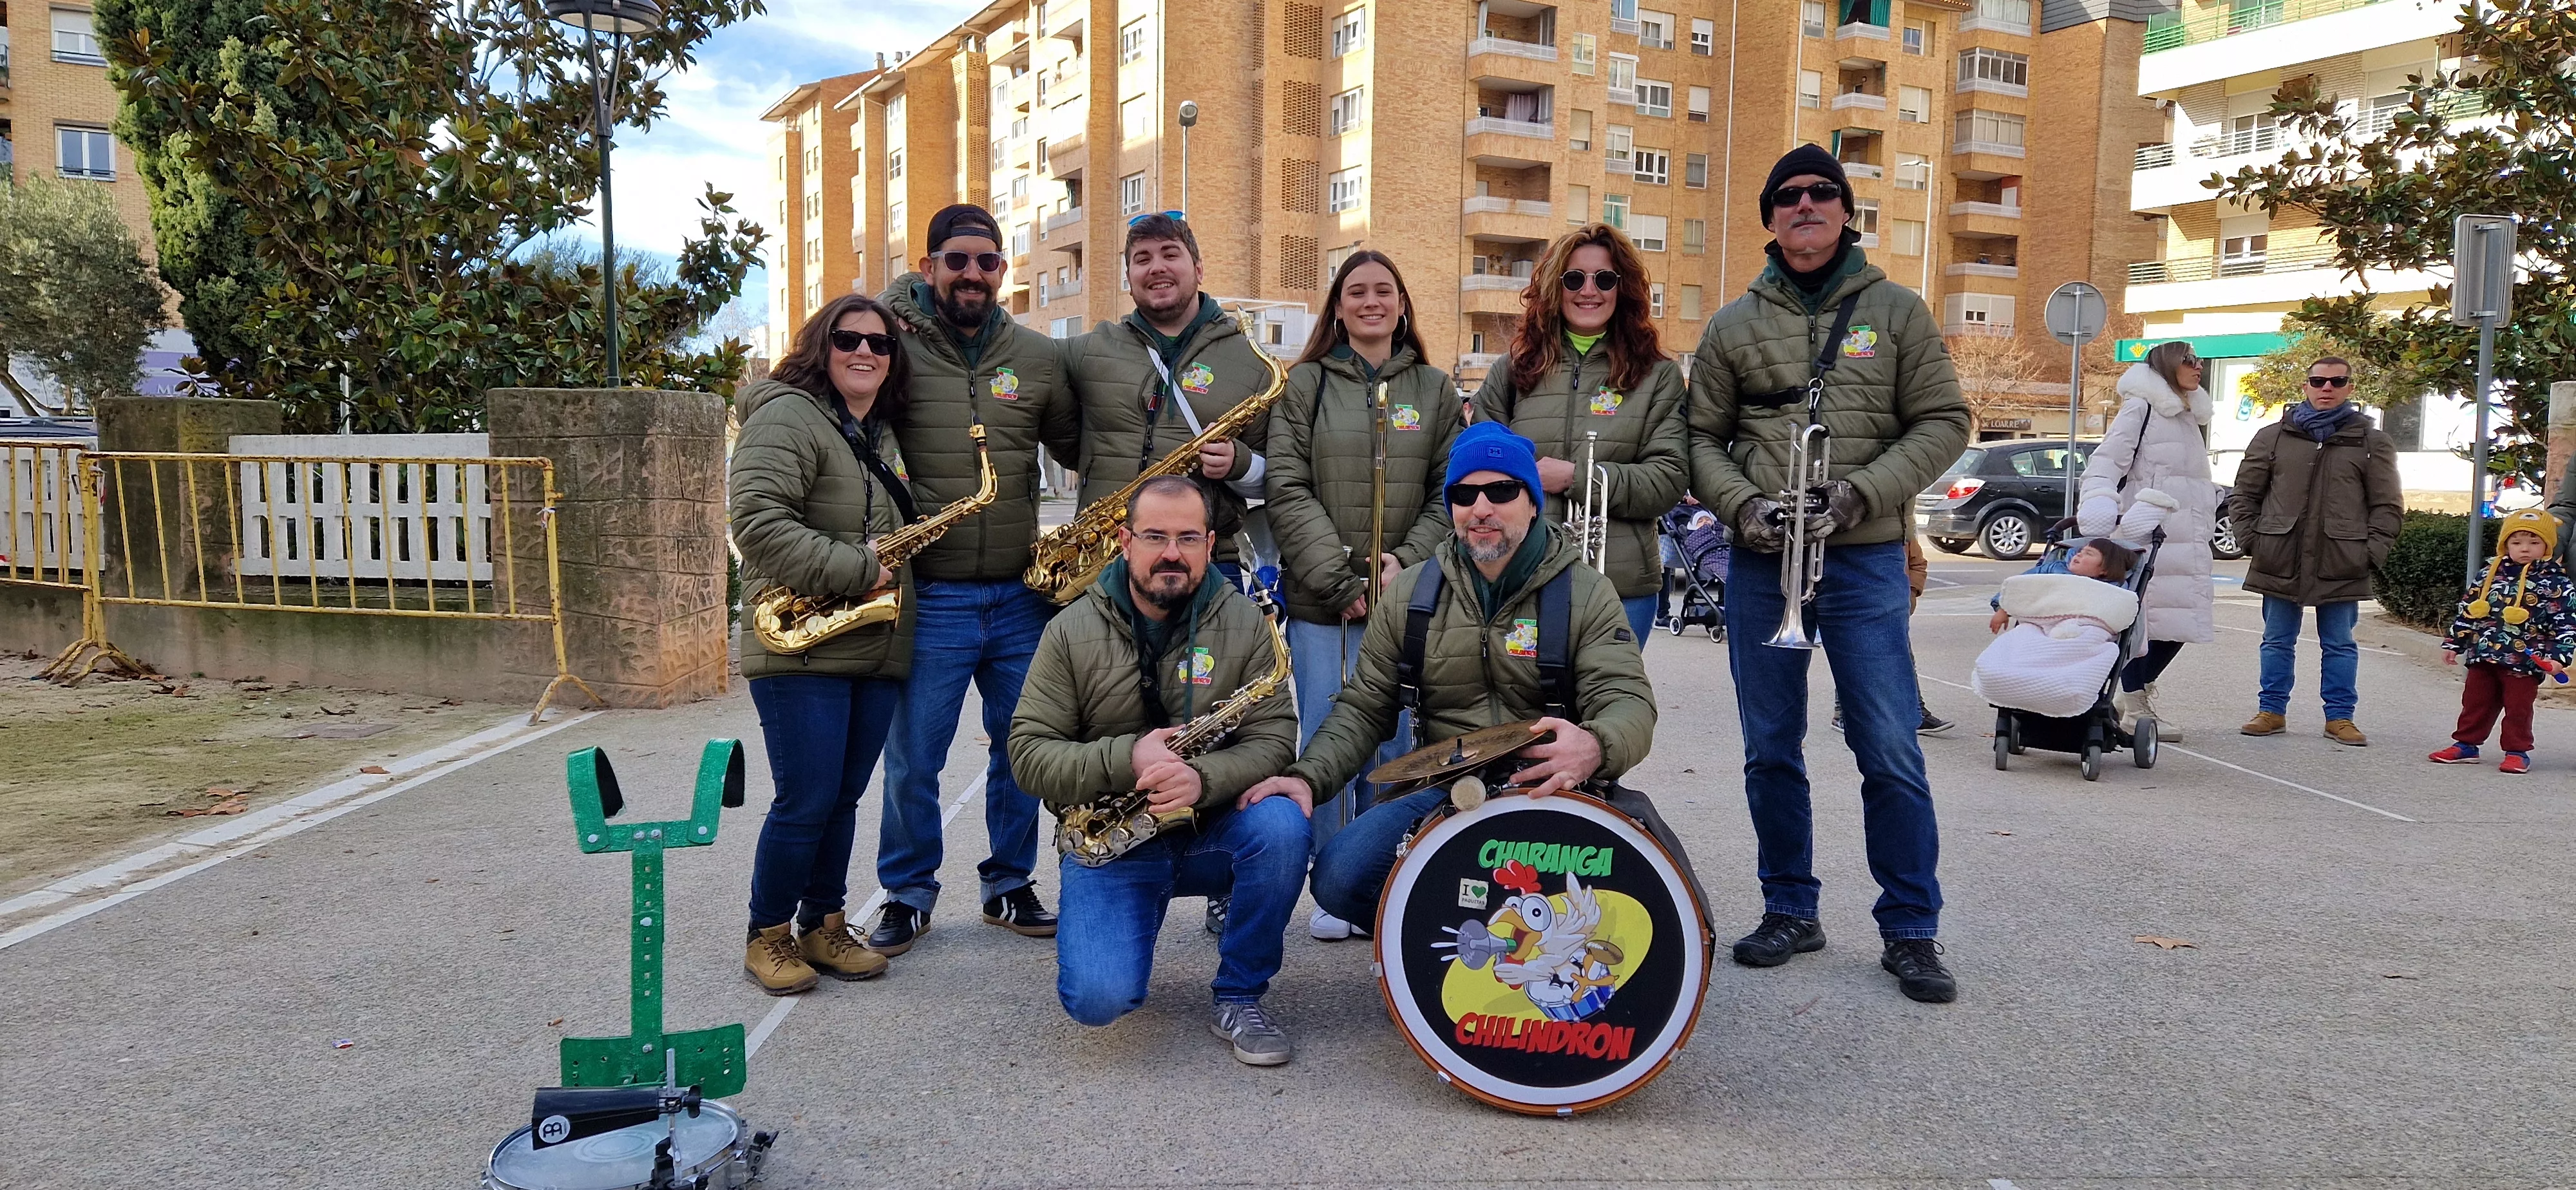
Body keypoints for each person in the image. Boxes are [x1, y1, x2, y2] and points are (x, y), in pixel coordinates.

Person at [1685, 144, 1971, 1003]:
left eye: (1822, 193)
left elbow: (1944, 420)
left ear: (1846, 211)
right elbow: (1699, 439)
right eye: (1788, 196)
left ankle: (1912, 929)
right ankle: (1790, 908)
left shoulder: (1897, 309)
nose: (1805, 204)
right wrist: (1742, 508)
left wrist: (1859, 495)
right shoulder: (1732, 324)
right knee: (1769, 751)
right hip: (1760, 561)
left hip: (1863, 559)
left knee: (1887, 747)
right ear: (1770, 219)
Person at [1246, 424, 1689, 937]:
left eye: (1501, 491)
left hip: (1549, 787)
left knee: (1627, 915)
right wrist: (1306, 779)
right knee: (1339, 880)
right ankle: (1456, 939)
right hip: (1448, 786)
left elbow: (1627, 701)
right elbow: (1364, 708)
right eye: (1463, 494)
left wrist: (1595, 744)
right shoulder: (1412, 594)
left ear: (1533, 502)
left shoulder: (1587, 592)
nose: (1481, 508)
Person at [1006, 477, 1306, 1064]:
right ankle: (1132, 908)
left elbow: (1275, 738)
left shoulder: (1246, 623)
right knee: (1097, 1001)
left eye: (1188, 538)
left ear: (1209, 542)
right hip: (1115, 839)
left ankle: (1241, 992)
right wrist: (1128, 756)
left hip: (1211, 828)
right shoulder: (1069, 630)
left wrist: (1205, 779)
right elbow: (1028, 754)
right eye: (1156, 536)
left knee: (1284, 826)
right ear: (1125, 541)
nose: (1172, 552)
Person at [872, 203, 1083, 954]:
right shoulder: (886, 343)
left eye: (986, 262)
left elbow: (1085, 443)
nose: (971, 274)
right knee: (913, 759)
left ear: (1003, 271)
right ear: (928, 267)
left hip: (1022, 595)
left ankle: (1009, 884)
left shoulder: (1037, 357)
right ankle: (906, 891)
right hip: (930, 597)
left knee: (1021, 749)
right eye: (956, 260)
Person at [1265, 249, 1462, 940]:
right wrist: (1340, 581)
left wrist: (1405, 565)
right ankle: (1332, 883)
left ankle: (1390, 880)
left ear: (1402, 303)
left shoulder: (1436, 391)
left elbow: (1451, 494)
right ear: (1338, 307)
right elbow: (1284, 488)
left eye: (1384, 290)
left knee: (1400, 745)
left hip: (1409, 604)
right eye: (1357, 292)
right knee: (1327, 735)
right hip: (1325, 606)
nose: (1371, 302)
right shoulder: (1305, 385)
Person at [729, 294, 919, 994]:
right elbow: (757, 523)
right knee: (805, 799)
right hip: (800, 639)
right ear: (821, 344)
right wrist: (860, 567)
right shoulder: (787, 415)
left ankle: (824, 923)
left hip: (867, 643)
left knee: (841, 800)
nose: (865, 351)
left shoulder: (879, 432)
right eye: (848, 339)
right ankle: (768, 934)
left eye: (880, 343)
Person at [1469, 224, 1689, 645]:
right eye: (1575, 278)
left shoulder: (1658, 374)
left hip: (1619, 587)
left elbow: (1668, 480)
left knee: (1604, 708)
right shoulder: (1513, 369)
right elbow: (1475, 471)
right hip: (1520, 579)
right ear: (1556, 286)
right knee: (1525, 711)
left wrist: (1576, 477)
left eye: (1604, 279)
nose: (1589, 290)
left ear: (1622, 288)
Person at [1061, 212, 1273, 590]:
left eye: (1170, 254)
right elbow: (1015, 354)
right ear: (1129, 279)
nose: (1157, 267)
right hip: (1101, 565)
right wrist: (919, 296)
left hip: (1208, 566)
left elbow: (1279, 476)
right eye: (1142, 259)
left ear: (1199, 268)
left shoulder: (1255, 363)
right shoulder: (1090, 349)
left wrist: (1239, 463)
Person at [2226, 355, 2401, 746]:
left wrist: (2371, 552)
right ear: (2305, 385)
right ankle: (2271, 711)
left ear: (2349, 389)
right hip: (2280, 555)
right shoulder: (2272, 437)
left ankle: (2340, 718)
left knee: (2339, 643)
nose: (2327, 388)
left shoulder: (2372, 443)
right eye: (2319, 381)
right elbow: (2245, 496)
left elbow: (2387, 505)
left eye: (2337, 382)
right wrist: (2254, 541)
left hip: (2342, 559)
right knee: (2276, 640)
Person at [2083, 343, 2219, 741]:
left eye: (2199, 361)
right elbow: (2107, 462)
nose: (2198, 368)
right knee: (2143, 623)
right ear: (2166, 366)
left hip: (2187, 534)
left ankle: (2130, 698)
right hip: (2149, 532)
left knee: (2180, 624)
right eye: (2188, 361)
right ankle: (2134, 702)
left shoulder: (2187, 413)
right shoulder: (2141, 407)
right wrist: (2099, 501)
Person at [2427, 509, 2574, 774]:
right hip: (2483, 654)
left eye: (2534, 543)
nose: (2525, 549)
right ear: (2506, 544)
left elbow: (2565, 623)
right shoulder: (2488, 574)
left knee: (2518, 709)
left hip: (2525, 660)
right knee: (2475, 702)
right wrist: (2454, 642)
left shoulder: (2556, 582)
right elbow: (2469, 609)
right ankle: (2466, 744)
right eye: (2517, 543)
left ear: (2547, 546)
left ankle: (2517, 751)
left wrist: (2558, 658)